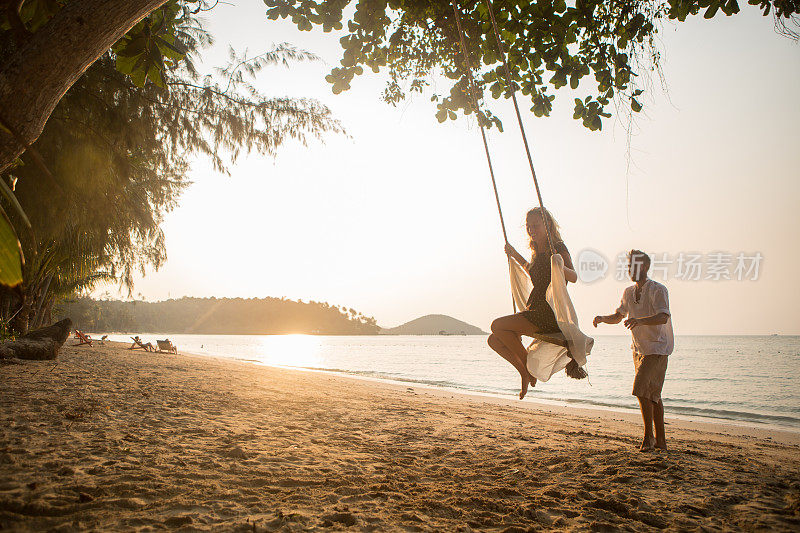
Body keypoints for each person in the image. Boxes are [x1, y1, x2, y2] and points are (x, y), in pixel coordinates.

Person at [488, 207, 577, 400]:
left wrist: (559, 264)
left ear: (547, 226)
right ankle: (524, 372)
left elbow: (575, 276)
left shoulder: (558, 247)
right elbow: (532, 271)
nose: (531, 230)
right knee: (494, 340)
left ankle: (527, 369)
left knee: (497, 326)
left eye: (535, 225)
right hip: (533, 308)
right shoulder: (536, 250)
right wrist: (514, 254)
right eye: (528, 226)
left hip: (548, 313)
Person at [593, 250, 674, 452]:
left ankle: (649, 438)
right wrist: (603, 318)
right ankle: (661, 442)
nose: (630, 269)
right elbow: (619, 315)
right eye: (629, 266)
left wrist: (639, 321)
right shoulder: (628, 292)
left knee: (640, 389)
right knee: (653, 395)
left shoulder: (658, 290)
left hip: (657, 347)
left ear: (645, 267)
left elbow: (663, 317)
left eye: (634, 266)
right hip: (639, 349)